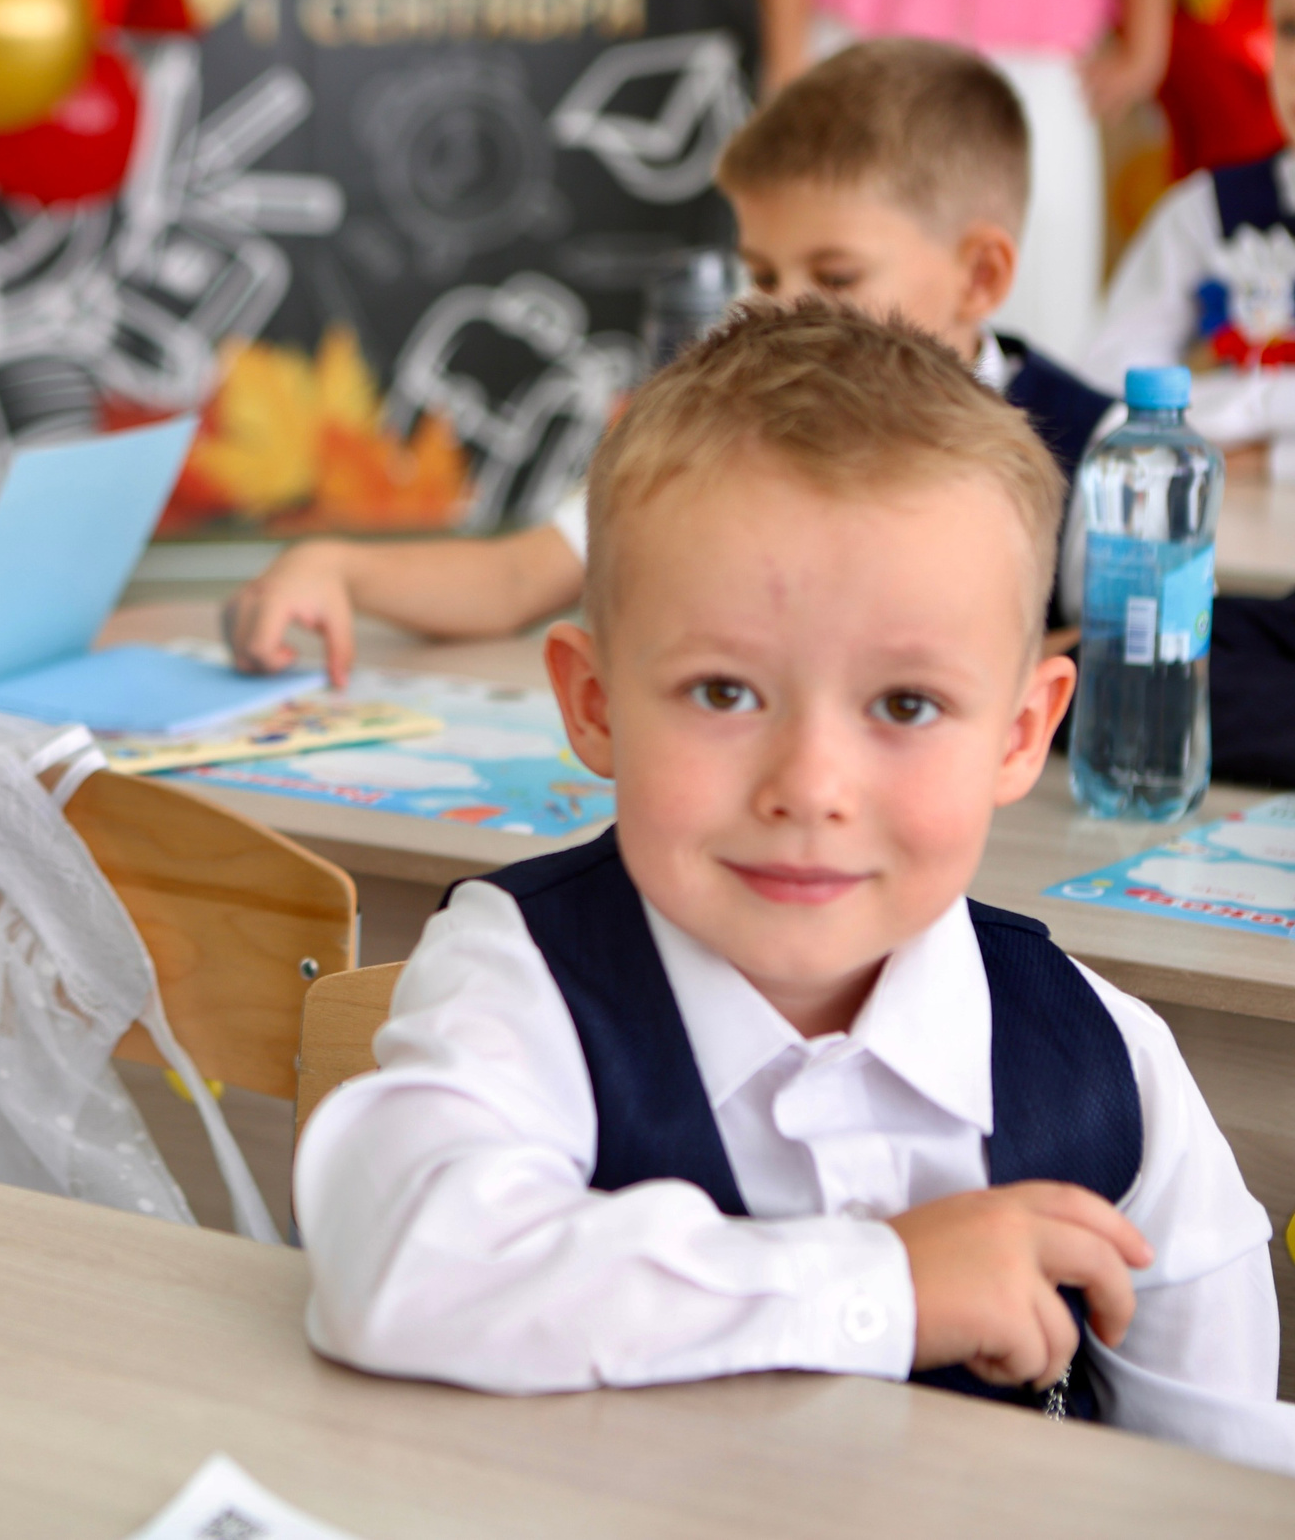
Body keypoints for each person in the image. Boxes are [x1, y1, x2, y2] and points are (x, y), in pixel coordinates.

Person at [295, 302, 1293, 1470]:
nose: (809, 787)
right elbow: (403, 1268)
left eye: (905, 705)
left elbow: (1215, 1470)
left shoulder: (1109, 1065)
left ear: (1021, 736)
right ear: (595, 704)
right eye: (724, 692)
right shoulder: (521, 974)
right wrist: (888, 1284)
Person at [226, 40, 1114, 681]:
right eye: (762, 272)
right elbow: (519, 576)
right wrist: (338, 565)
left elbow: (1143, 660)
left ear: (980, 275)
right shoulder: (712, 421)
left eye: (836, 275)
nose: (784, 309)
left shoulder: (1104, 453)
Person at [758, 0, 1174, 365]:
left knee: (1045, 260)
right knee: (854, 260)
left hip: (1037, 20)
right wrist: (787, 64)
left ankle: (1032, 416)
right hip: (875, 9)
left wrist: (1147, 46)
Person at [1088, 0, 1295, 485]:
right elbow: (1106, 397)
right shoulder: (1205, 212)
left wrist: (1267, 456)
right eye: (1291, 29)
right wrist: (1270, 412)